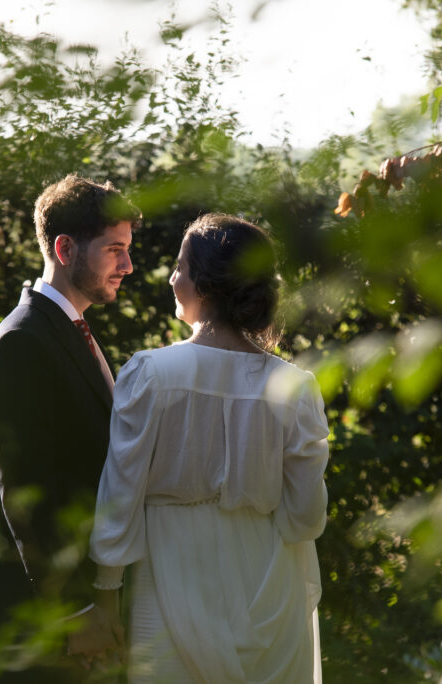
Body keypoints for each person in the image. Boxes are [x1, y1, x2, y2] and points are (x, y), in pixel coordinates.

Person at [86, 213, 330, 682]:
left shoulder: (150, 374)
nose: (173, 277)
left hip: (174, 572)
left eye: (180, 265)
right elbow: (305, 517)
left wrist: (106, 593)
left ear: (205, 283)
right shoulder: (296, 387)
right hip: (270, 583)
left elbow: (122, 492)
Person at [0, 174, 141, 683]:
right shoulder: (23, 341)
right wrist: (73, 612)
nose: (128, 266)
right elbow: (23, 493)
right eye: (115, 250)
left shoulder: (69, 332)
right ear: (65, 248)